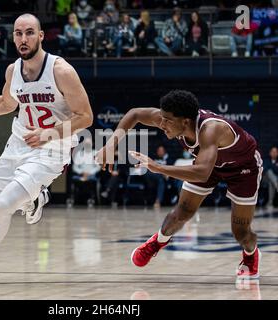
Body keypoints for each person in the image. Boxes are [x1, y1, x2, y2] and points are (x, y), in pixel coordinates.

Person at [0, 13, 93, 286]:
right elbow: (6, 104)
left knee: (4, 205)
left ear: (41, 36)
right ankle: (34, 199)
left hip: (53, 146)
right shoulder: (12, 70)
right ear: (13, 37)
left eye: (30, 32)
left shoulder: (61, 70)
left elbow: (86, 116)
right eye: (18, 33)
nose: (23, 38)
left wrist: (48, 133)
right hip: (19, 142)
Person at [97, 90, 263, 279]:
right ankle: (157, 242)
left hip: (242, 169)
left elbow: (202, 173)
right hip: (208, 164)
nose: (162, 123)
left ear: (185, 121)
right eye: (162, 118)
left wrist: (158, 167)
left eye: (167, 120)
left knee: (240, 232)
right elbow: (134, 114)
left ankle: (250, 255)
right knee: (182, 212)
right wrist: (111, 144)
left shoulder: (211, 129)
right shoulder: (171, 120)